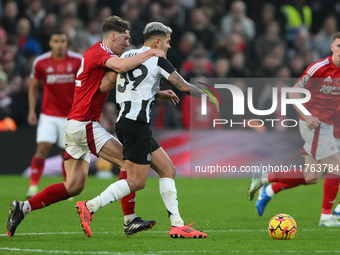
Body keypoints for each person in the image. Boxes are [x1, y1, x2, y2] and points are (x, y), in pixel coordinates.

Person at [6, 15, 166, 237]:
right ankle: (129, 219)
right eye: (126, 39)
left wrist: (156, 92)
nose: (128, 44)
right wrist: (148, 52)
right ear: (113, 36)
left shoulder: (99, 55)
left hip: (75, 124)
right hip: (85, 124)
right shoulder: (101, 52)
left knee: (73, 186)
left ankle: (23, 208)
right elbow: (119, 67)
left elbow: (108, 83)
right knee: (128, 164)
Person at [75, 22, 218, 239]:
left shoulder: (127, 56)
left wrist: (156, 93)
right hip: (137, 125)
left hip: (125, 122)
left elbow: (109, 85)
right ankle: (91, 206)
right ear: (158, 41)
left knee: (168, 169)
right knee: (137, 181)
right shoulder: (159, 60)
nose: (169, 46)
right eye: (168, 41)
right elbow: (184, 86)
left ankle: (177, 224)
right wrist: (213, 96)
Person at [248, 32, 340, 227]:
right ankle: (327, 217)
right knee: (337, 169)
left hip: (329, 127)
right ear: (332, 47)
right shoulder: (319, 68)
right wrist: (306, 115)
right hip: (314, 125)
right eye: (339, 46)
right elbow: (293, 92)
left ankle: (265, 178)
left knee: (311, 177)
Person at [25, 30, 82, 199]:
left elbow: (85, 85)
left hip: (70, 115)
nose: (59, 45)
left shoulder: (77, 60)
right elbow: (34, 87)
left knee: (65, 152)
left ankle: (68, 187)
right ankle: (33, 186)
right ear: (50, 43)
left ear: (67, 43)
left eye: (62, 41)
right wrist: (31, 111)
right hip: (48, 114)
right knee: (43, 147)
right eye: (56, 41)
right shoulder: (41, 62)